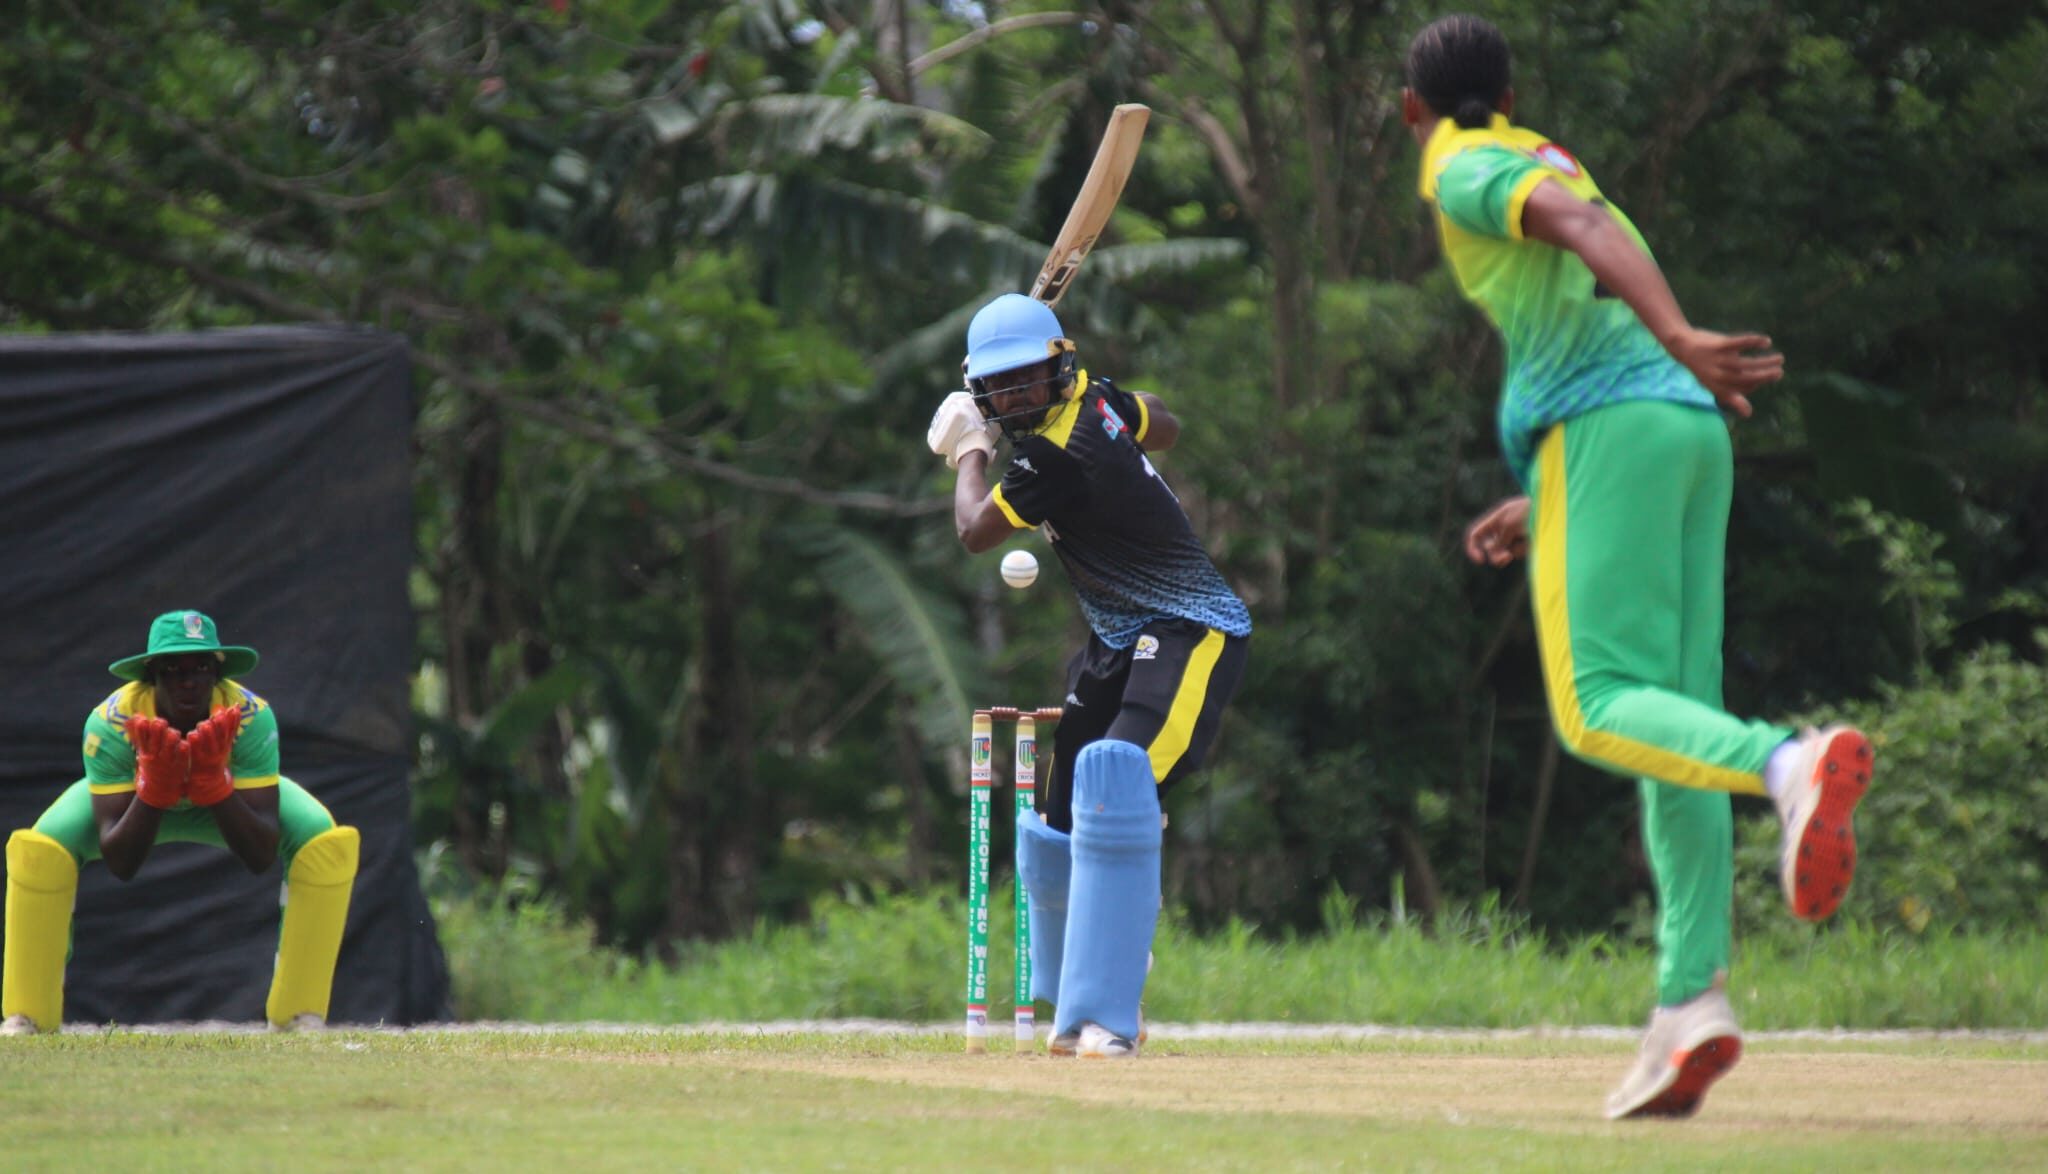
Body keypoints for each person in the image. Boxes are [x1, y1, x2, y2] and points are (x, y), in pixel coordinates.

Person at [1404, 14, 1876, 1119]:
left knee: (1598, 705)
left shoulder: (1463, 164)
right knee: (1671, 721)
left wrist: (1673, 338)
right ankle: (1686, 1005)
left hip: (1619, 421)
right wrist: (1552, 492)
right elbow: (1587, 255)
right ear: (1507, 89)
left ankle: (1786, 763)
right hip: (1674, 436)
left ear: (1409, 109)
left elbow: (1572, 233)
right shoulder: (1544, 149)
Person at [926, 293, 1252, 1059]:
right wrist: (1098, 397)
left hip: (1189, 635)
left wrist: (969, 451)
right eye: (998, 390)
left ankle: (1110, 1012)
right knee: (1064, 809)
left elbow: (976, 532)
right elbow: (1164, 420)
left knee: (1118, 785)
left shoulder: (1052, 457)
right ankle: (1078, 989)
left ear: (1057, 368)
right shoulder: (1094, 401)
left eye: (1026, 384)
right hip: (1116, 642)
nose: (1012, 401)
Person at [2, 609, 359, 1035]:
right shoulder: (113, 722)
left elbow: (260, 854)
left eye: (201, 668)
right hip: (142, 803)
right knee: (43, 849)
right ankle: (28, 1014)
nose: (188, 681)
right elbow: (122, 862)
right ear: (152, 674)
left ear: (217, 673)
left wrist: (214, 785)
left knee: (322, 839)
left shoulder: (249, 716)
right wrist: (154, 787)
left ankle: (300, 1014)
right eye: (173, 669)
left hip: (222, 800)